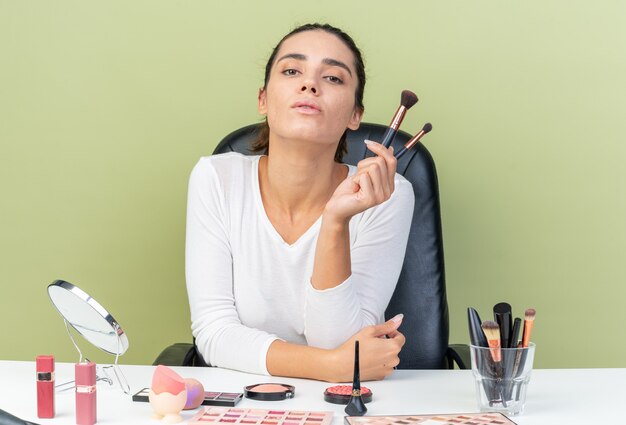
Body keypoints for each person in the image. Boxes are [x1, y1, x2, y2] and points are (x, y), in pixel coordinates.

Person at [185, 23, 415, 382]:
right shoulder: (216, 179)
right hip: (243, 399)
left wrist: (336, 221)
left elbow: (337, 340)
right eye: (292, 71)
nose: (309, 85)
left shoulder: (388, 196)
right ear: (263, 98)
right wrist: (332, 366)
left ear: (356, 114)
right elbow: (214, 334)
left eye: (334, 78)